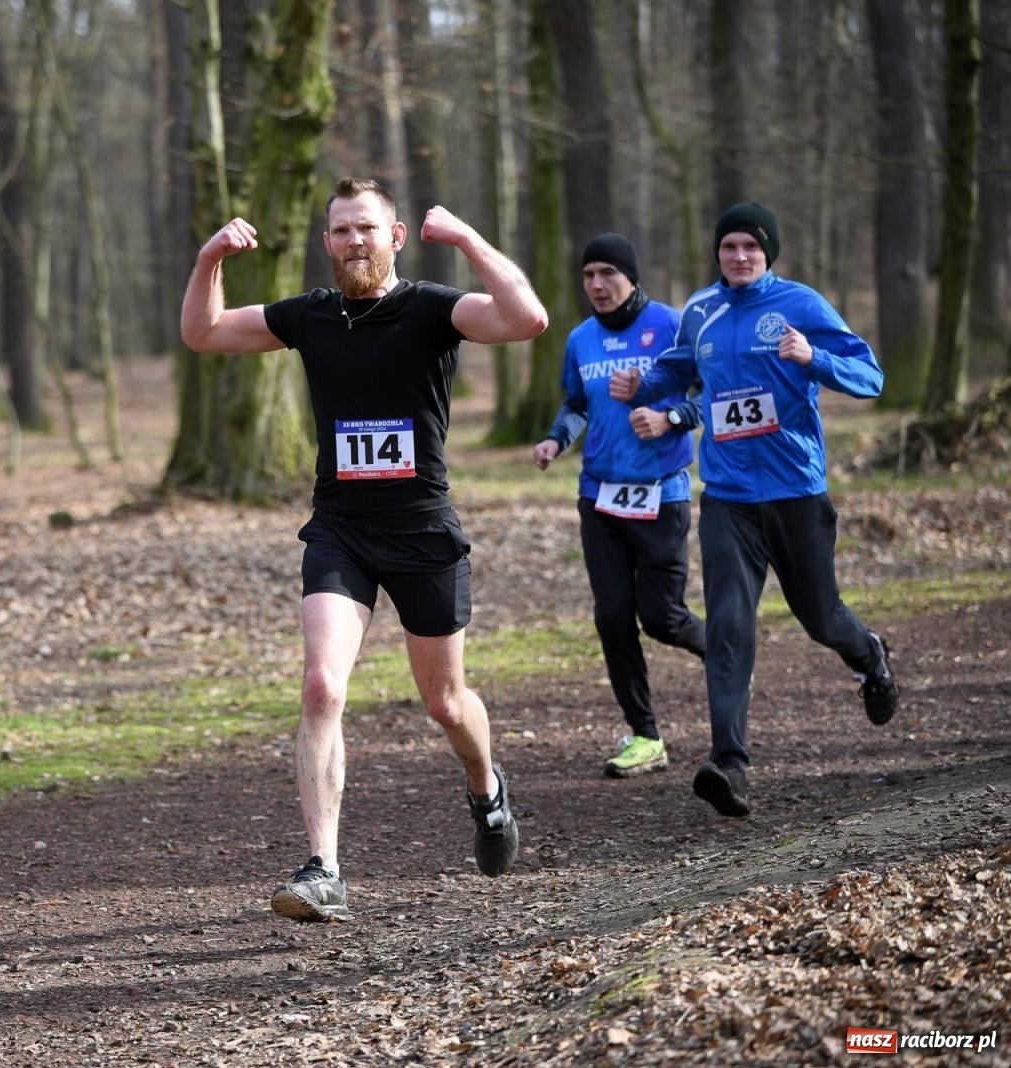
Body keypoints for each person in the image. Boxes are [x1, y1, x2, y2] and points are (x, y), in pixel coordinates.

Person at [181, 177, 548, 922]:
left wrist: (470, 240)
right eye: (342, 230)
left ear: (396, 237)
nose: (354, 242)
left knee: (445, 703)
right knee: (322, 686)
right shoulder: (310, 318)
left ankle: (487, 790)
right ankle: (324, 868)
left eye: (367, 229)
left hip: (422, 528)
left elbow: (528, 318)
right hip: (342, 528)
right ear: (327, 243)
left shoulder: (432, 309)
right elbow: (204, 334)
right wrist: (209, 259)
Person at [609, 203, 899, 818]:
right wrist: (645, 386)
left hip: (795, 491)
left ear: (768, 253)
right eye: (729, 247)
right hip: (728, 499)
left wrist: (811, 359)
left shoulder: (801, 306)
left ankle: (868, 654)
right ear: (717, 254)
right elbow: (677, 373)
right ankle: (730, 764)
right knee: (731, 626)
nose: (739, 257)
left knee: (820, 617)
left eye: (750, 247)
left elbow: (870, 377)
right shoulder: (702, 311)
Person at [533, 234, 706, 778]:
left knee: (662, 617)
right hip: (601, 498)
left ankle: (727, 651)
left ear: (631, 275)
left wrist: (669, 419)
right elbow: (578, 405)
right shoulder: (580, 339)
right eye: (588, 276)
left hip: (663, 493)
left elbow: (708, 393)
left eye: (608, 273)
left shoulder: (673, 325)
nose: (597, 285)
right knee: (612, 617)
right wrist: (556, 440)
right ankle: (645, 735)